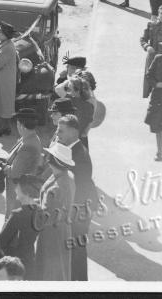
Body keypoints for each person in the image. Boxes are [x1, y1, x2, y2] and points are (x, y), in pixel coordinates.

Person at [54, 115, 97, 281]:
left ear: (73, 132)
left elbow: (78, 185)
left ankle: (79, 285)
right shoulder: (70, 148)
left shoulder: (79, 153)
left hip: (80, 206)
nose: (57, 133)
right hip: (78, 204)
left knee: (76, 248)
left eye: (61, 130)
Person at [33, 141, 76, 281]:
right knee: (61, 269)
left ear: (53, 161)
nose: (46, 157)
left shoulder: (56, 188)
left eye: (49, 156)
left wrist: (30, 209)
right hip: (63, 230)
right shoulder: (66, 175)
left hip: (51, 235)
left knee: (50, 272)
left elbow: (46, 218)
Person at [0, 177, 41, 279]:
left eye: (18, 188)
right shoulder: (41, 210)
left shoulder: (18, 215)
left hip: (17, 265)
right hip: (33, 262)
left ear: (27, 193)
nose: (15, 189)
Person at [2, 109, 44, 216]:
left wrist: (5, 167)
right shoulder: (30, 138)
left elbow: (14, 172)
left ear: (21, 125)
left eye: (17, 123)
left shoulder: (27, 144)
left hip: (19, 189)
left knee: (11, 216)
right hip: (23, 186)